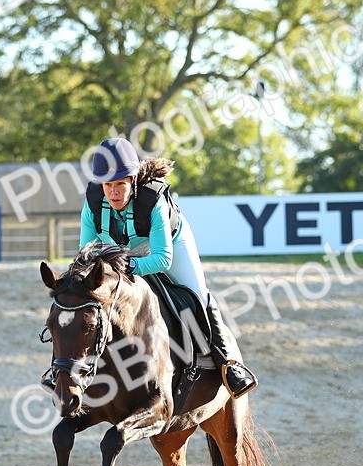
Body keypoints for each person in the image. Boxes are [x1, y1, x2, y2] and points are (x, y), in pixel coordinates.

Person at [69, 137, 257, 398]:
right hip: (122, 250)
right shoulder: (92, 203)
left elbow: (161, 260)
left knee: (197, 294)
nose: (113, 192)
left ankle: (228, 363)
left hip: (170, 246)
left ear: (133, 180)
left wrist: (128, 265)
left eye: (120, 184)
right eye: (108, 184)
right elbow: (87, 253)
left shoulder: (152, 201)